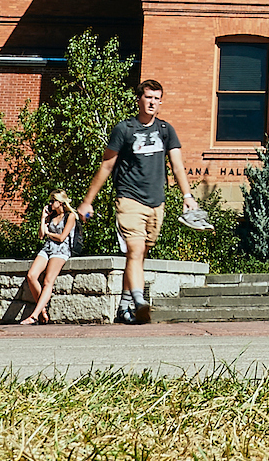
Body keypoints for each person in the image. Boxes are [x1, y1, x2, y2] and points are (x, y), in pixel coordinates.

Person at [78, 77, 195, 325]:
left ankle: (124, 305)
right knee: (135, 249)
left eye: (156, 98)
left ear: (160, 102)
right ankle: (140, 302)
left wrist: (187, 196)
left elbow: (177, 165)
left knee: (139, 257)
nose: (152, 102)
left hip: (157, 202)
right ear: (139, 100)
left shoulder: (166, 130)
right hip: (129, 198)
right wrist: (88, 201)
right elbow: (107, 165)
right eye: (148, 97)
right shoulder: (125, 129)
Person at [13, 194, 76, 324]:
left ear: (61, 202)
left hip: (61, 250)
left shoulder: (70, 216)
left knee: (48, 281)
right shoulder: (51, 216)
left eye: (53, 201)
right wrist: (43, 218)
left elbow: (62, 238)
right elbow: (41, 235)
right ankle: (42, 310)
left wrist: (48, 233)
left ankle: (34, 315)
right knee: (31, 275)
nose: (51, 203)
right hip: (47, 248)